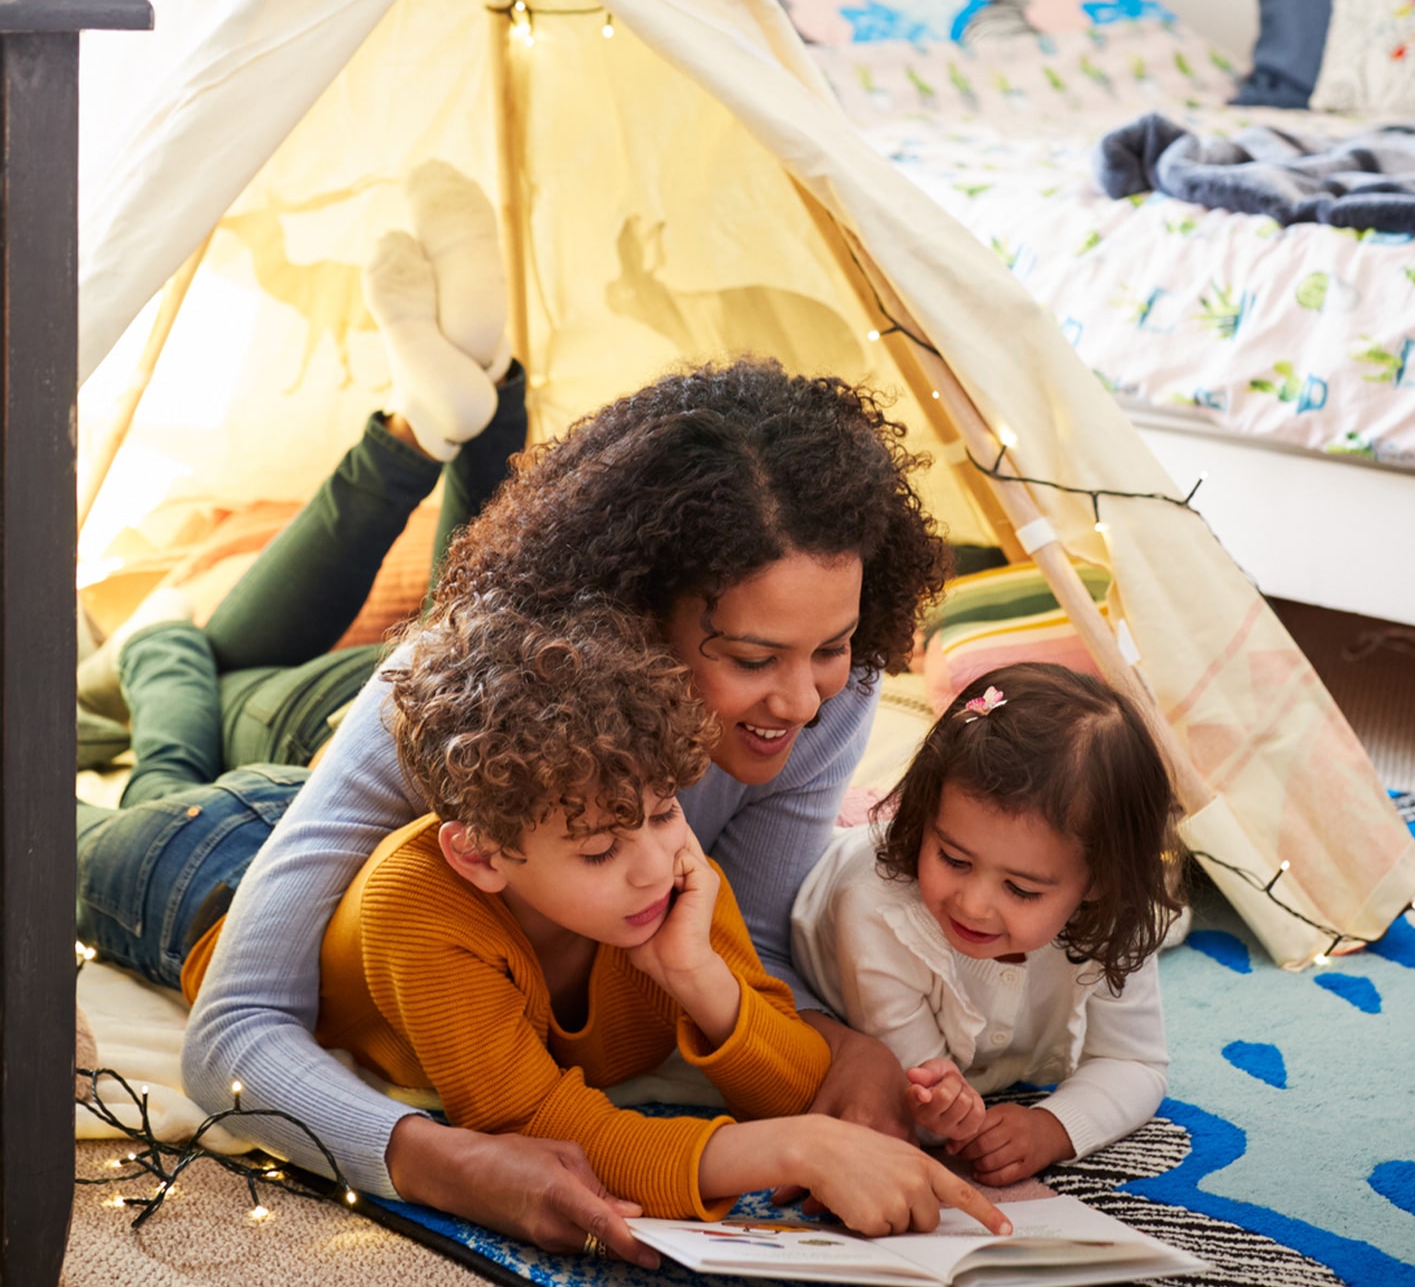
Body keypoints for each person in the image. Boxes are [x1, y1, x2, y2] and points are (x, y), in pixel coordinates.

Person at [163, 349, 950, 1250]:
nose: (806, 702)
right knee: (187, 728)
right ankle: (163, 657)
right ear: (637, 612)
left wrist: (844, 1046)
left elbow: (748, 946)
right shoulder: (437, 694)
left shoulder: (825, 697)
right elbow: (232, 1030)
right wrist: (436, 1160)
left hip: (473, 910)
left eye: (833, 647)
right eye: (751, 658)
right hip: (220, 847)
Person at [186, 599, 1005, 1237]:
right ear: (480, 856)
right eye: (597, 851)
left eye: (660, 813)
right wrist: (788, 1150)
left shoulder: (674, 881)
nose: (654, 863)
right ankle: (169, 652)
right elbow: (534, 1124)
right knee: (104, 813)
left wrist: (698, 976)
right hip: (208, 869)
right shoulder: (426, 904)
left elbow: (797, 1081)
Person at [791, 662, 1183, 1188]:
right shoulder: (876, 913)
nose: (973, 905)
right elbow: (913, 1097)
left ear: (1099, 881)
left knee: (1163, 918)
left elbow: (1136, 1062)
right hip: (827, 885)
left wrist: (1053, 1126)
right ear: (926, 818)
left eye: (1021, 889)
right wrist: (940, 1107)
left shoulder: (1118, 916)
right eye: (953, 858)